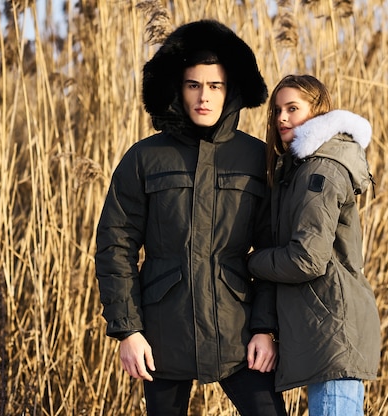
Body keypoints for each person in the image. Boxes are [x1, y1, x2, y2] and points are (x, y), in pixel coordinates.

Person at [95, 20, 287, 416]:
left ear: (230, 89)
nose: (204, 96)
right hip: (163, 330)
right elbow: (116, 245)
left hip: (238, 326)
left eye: (215, 86)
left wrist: (265, 328)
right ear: (177, 89)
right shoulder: (145, 158)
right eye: (193, 85)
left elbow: (271, 250)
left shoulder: (255, 157)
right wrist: (128, 330)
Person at [247, 74, 381, 416]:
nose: (281, 118)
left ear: (318, 113)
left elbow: (308, 259)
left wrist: (251, 261)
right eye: (277, 110)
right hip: (321, 327)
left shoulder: (321, 171)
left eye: (293, 108)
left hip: (333, 328)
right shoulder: (297, 171)